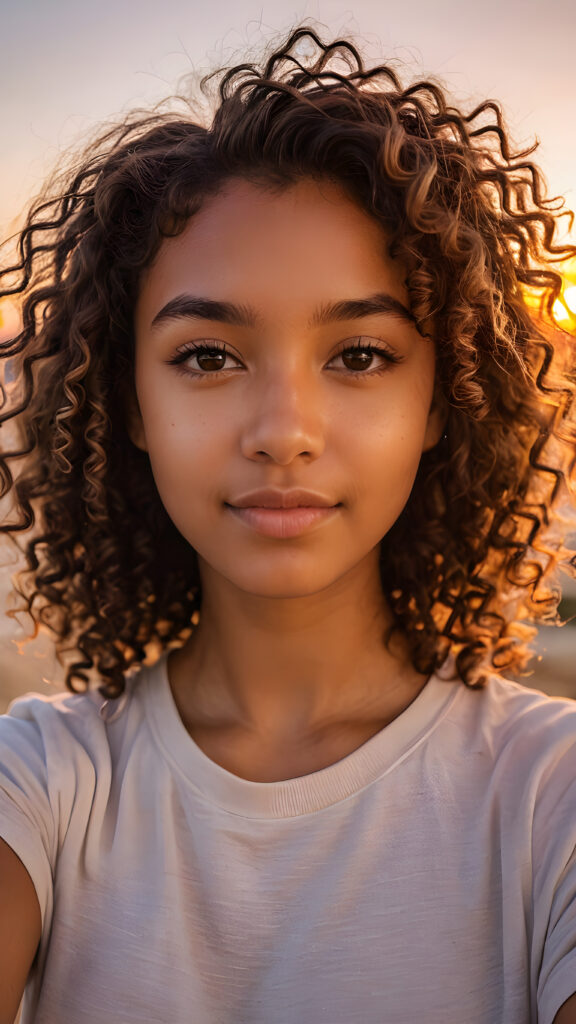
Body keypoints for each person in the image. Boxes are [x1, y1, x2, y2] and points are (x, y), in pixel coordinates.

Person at [0, 24, 575, 1024]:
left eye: (358, 355)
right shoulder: (45, 778)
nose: (284, 433)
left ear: (445, 399)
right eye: (209, 357)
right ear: (127, 401)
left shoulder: (550, 797)